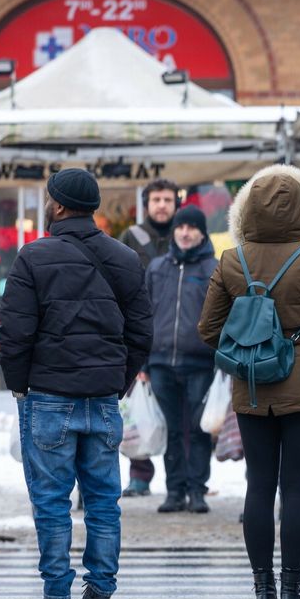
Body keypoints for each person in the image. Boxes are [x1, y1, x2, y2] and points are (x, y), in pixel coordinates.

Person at [0, 168, 153, 599]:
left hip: (48, 395)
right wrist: (116, 381)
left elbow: (14, 333)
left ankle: (55, 598)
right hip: (102, 398)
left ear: (58, 205)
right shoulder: (124, 258)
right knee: (104, 500)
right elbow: (142, 332)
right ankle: (100, 597)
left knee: (51, 500)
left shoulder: (33, 257)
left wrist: (20, 384)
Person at [198, 164, 300, 599]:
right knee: (297, 489)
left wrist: (243, 354)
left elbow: (208, 329)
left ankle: (263, 593)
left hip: (252, 385)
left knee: (259, 486)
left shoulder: (232, 261)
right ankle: (294, 593)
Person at [145, 205, 218, 515]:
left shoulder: (213, 269)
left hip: (200, 361)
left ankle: (197, 490)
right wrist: (142, 363)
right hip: (160, 361)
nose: (185, 232)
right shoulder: (157, 267)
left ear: (202, 233)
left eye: (192, 227)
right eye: (181, 227)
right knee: (173, 429)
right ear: (174, 231)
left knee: (199, 428)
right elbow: (144, 314)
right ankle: (174, 491)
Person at [118, 179, 180, 498]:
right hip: (137, 332)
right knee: (137, 410)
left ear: (176, 203)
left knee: (174, 413)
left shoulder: (185, 236)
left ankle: (178, 481)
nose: (161, 205)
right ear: (146, 203)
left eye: (167, 199)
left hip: (175, 335)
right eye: (156, 199)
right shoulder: (131, 237)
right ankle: (140, 475)